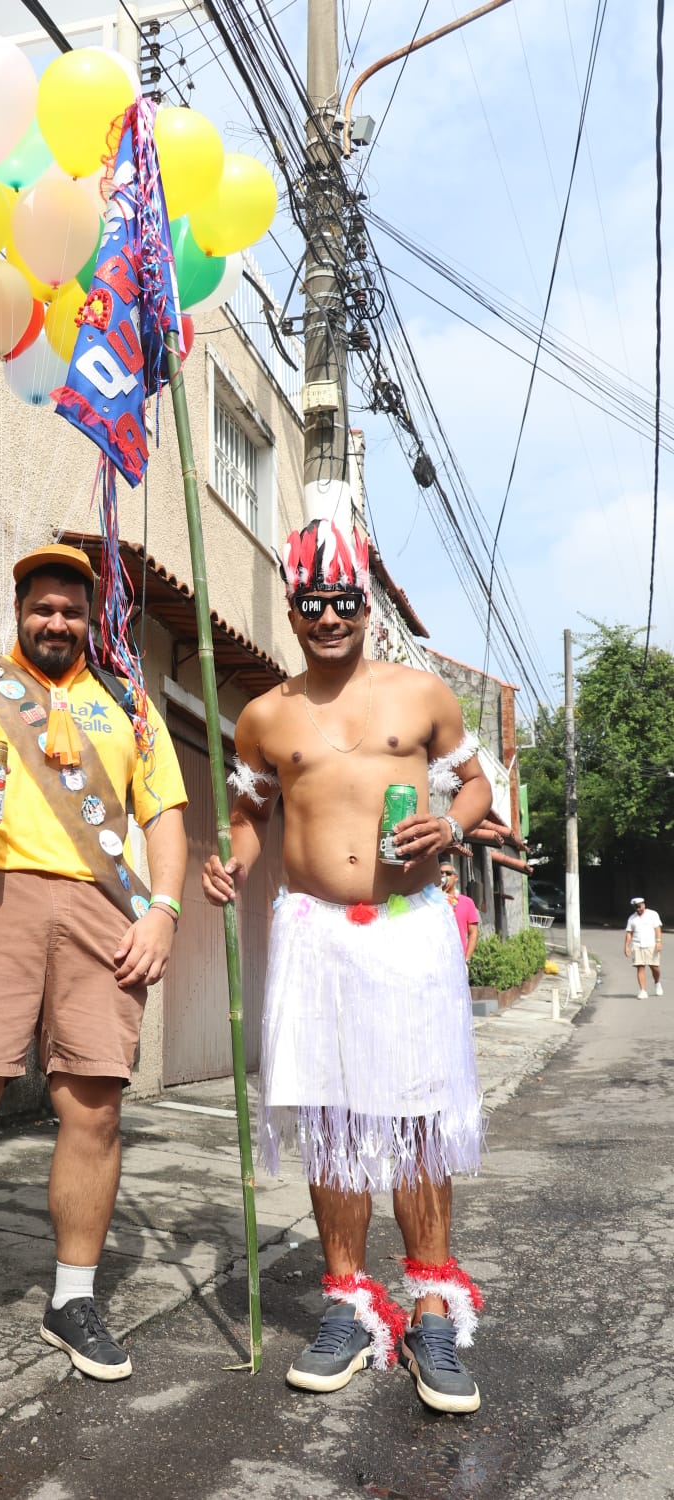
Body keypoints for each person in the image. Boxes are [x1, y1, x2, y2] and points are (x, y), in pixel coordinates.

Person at [0, 543, 188, 1393]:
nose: (57, 621)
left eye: (72, 610)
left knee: (94, 1107)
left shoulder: (128, 702)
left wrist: (163, 911)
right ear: (19, 611)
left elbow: (163, 815)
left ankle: (74, 1299)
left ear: (93, 620)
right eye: (43, 607)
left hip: (100, 913)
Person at [202, 518, 493, 1415]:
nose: (328, 615)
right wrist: (233, 860)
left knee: (411, 1123)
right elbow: (249, 812)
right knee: (333, 1120)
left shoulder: (423, 694)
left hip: (411, 928)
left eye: (342, 601)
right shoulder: (264, 716)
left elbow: (477, 785)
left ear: (364, 607)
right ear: (291, 609)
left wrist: (454, 822)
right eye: (311, 602)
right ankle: (346, 1307)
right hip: (315, 936)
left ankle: (431, 1312)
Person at [440, 863, 480, 963]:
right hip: (437, 961)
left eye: (448, 873)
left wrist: (467, 958)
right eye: (441, 873)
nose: (444, 876)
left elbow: (473, 933)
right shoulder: (432, 901)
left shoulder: (467, 902)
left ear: (456, 878)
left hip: (458, 960)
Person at [625, 896, 663, 999]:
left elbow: (657, 928)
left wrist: (658, 941)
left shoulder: (653, 914)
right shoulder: (632, 919)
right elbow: (629, 933)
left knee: (654, 967)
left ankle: (657, 982)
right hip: (637, 945)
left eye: (640, 906)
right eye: (636, 907)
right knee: (640, 967)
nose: (638, 909)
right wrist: (626, 946)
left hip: (651, 944)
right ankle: (643, 990)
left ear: (644, 905)